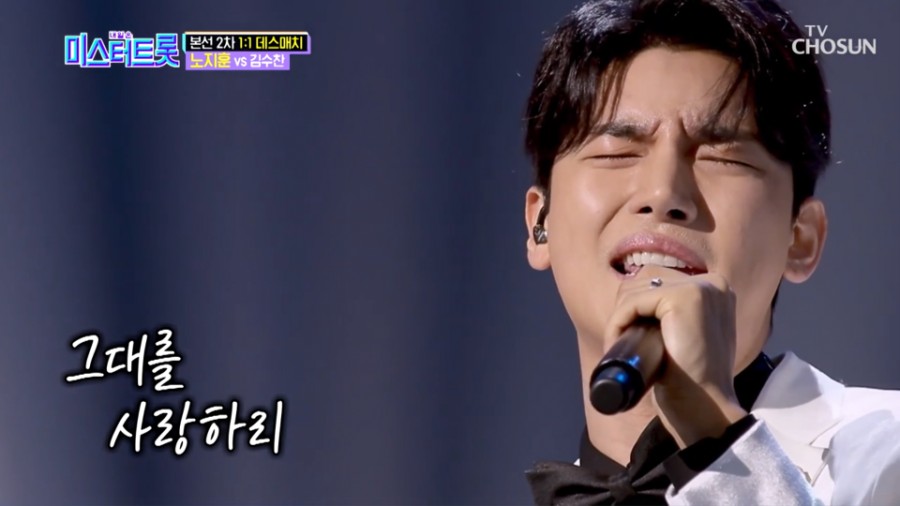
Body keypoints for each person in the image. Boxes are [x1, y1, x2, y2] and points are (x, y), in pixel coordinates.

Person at [520, 0, 900, 504]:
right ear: (540, 224)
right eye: (618, 152)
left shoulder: (886, 452)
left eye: (723, 158)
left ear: (801, 238)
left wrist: (714, 435)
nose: (663, 193)